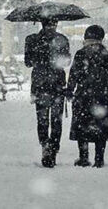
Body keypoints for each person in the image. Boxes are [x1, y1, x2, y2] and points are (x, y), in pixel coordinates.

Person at [66, 25, 108, 168]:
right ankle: (99, 158)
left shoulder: (81, 54)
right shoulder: (107, 55)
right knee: (101, 128)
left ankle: (83, 157)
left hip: (83, 97)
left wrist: (70, 90)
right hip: (102, 97)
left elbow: (73, 74)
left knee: (82, 128)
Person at [25, 19, 70, 168]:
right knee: (56, 120)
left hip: (40, 84)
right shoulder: (62, 39)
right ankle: (53, 148)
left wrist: (40, 58)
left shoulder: (32, 39)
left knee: (42, 119)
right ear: (56, 24)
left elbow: (28, 62)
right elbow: (66, 62)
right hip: (57, 83)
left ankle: (45, 145)